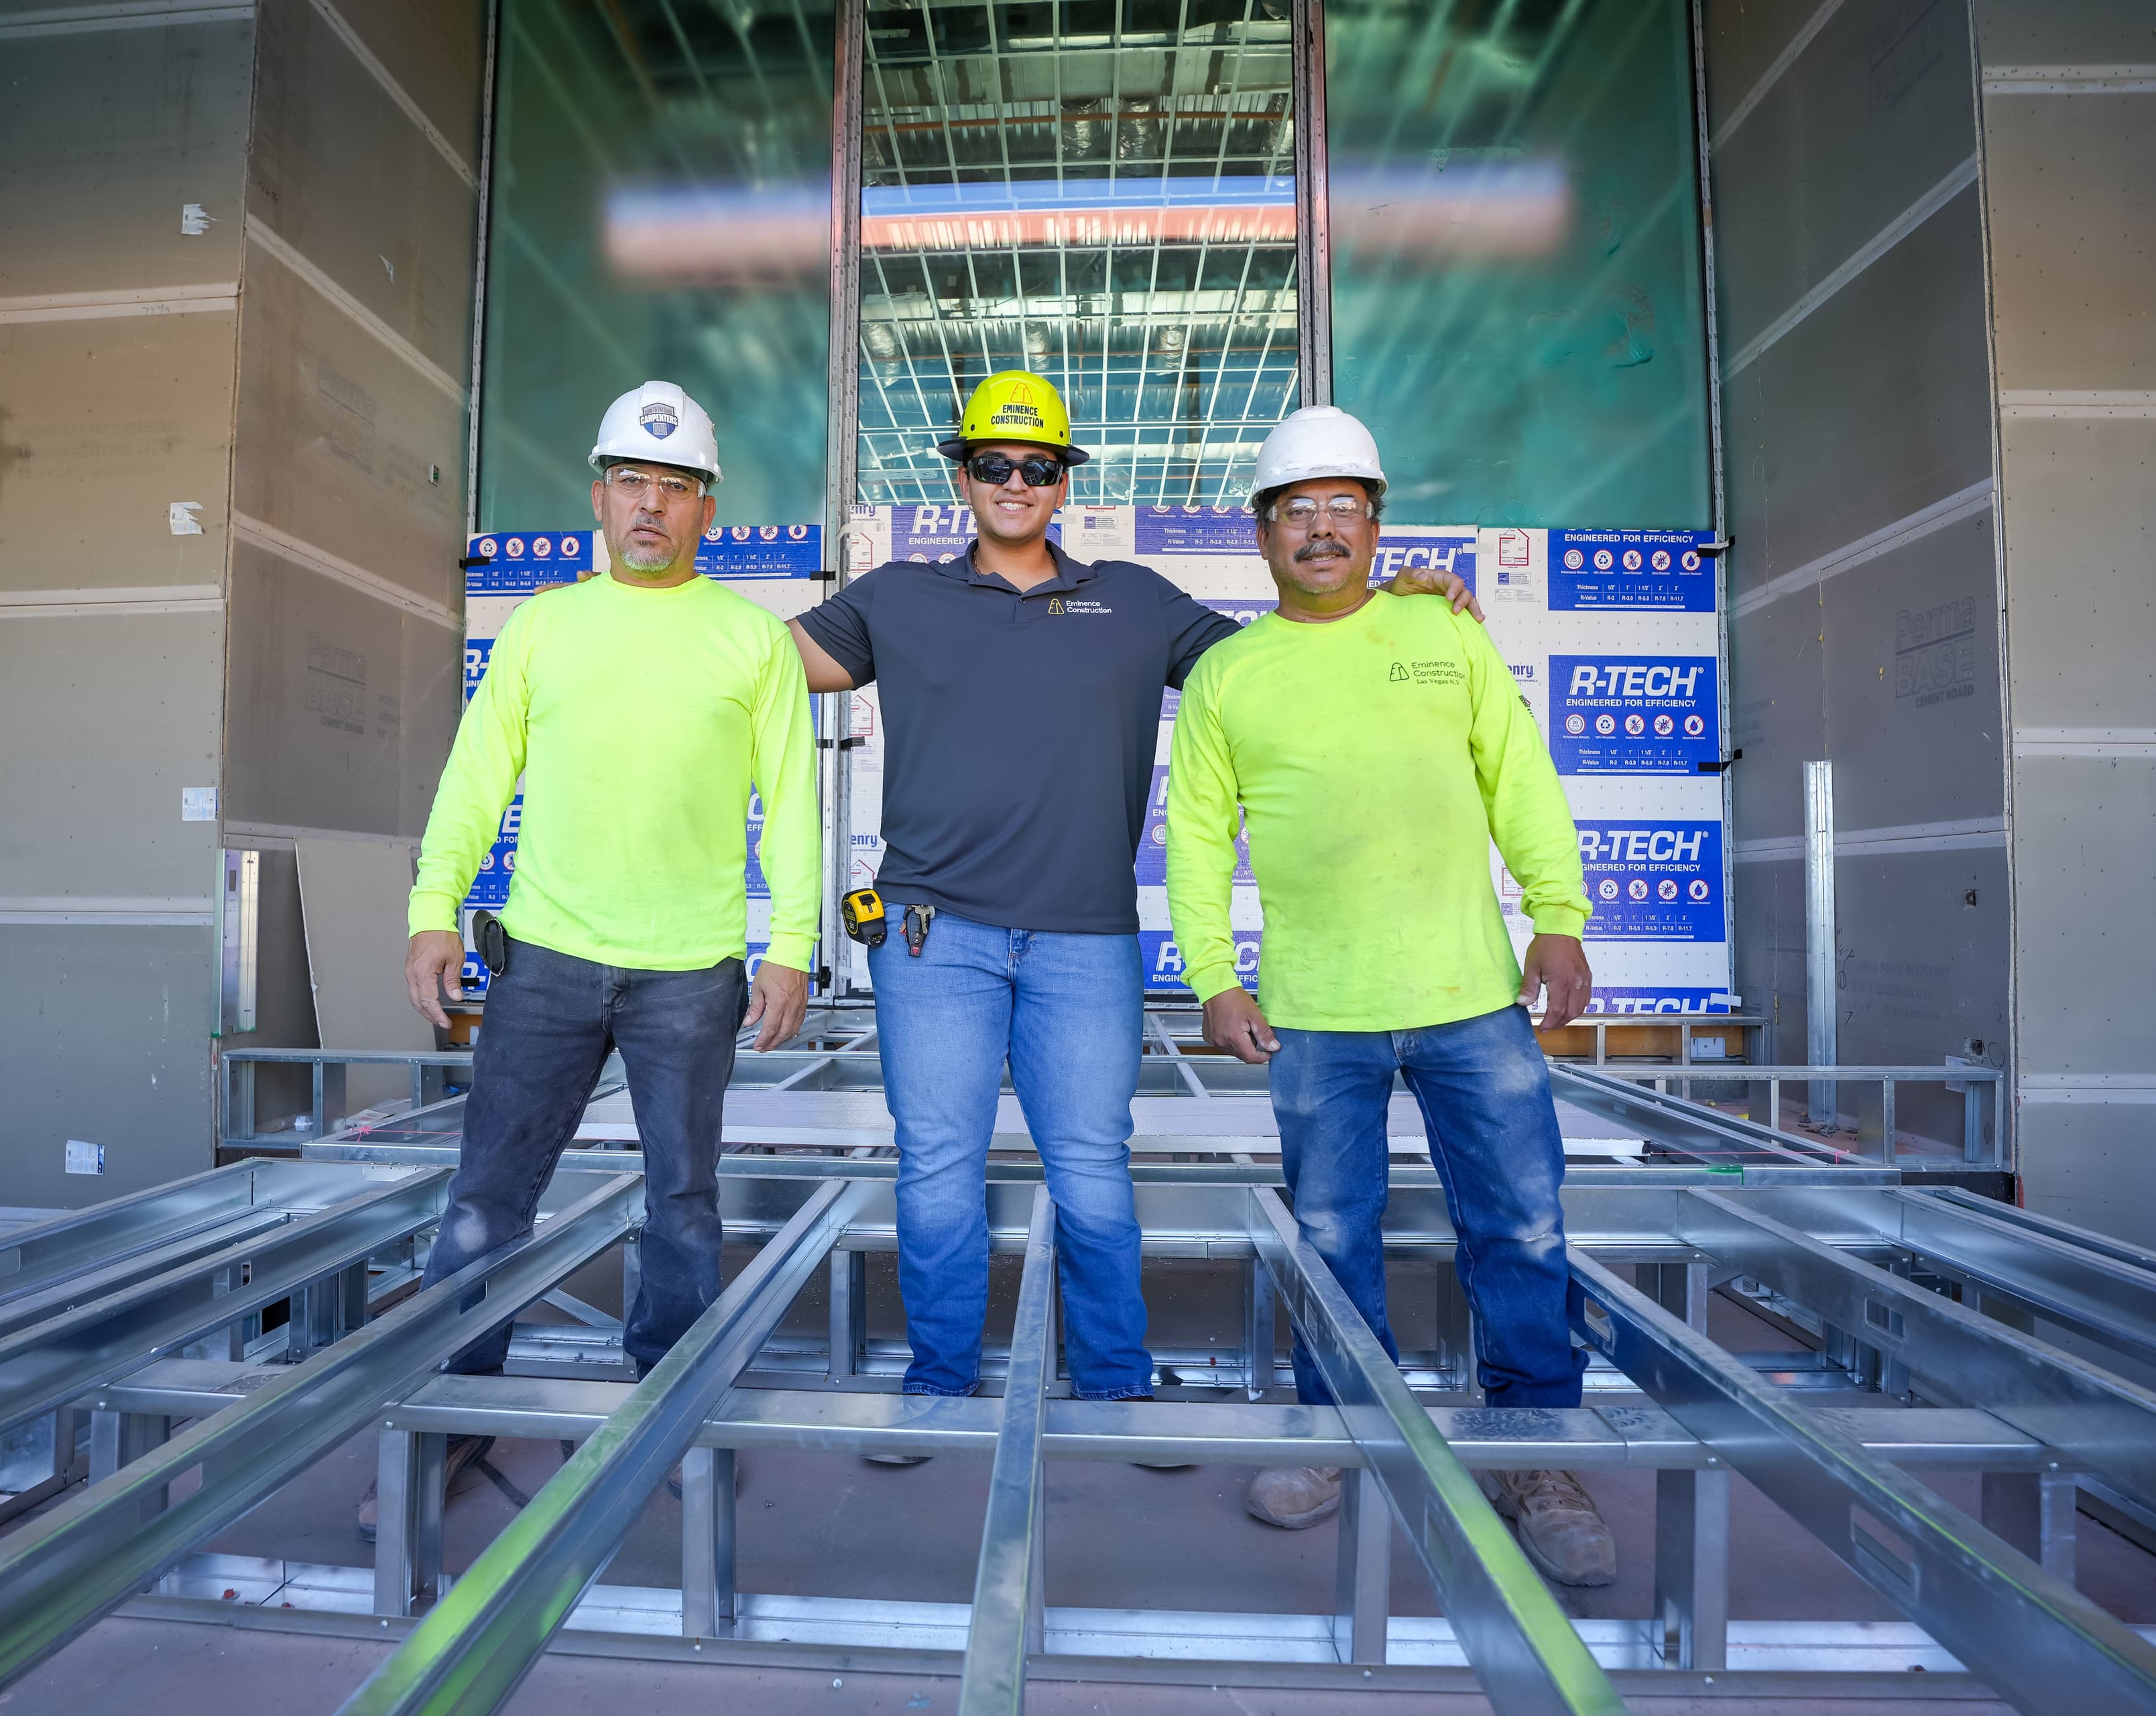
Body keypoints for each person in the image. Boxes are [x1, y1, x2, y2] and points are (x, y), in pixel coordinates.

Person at [785, 373, 1477, 1448]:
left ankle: (1115, 1381)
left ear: (1065, 483)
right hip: (931, 938)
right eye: (994, 464)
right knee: (937, 1168)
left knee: (1093, 1170)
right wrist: (647, 607)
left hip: (1087, 941)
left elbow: (1285, 657)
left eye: (1038, 466)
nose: (1016, 482)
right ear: (963, 477)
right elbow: (750, 666)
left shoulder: (1136, 601)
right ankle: (938, 1383)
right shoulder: (897, 598)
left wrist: (1395, 601)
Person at [1162, 405, 1616, 1587]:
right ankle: (1341, 1434)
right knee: (1330, 1235)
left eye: (1342, 508)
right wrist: (1215, 976)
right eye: (1296, 510)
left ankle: (1536, 1454)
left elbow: (1519, 778)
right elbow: (1197, 839)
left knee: (1521, 1226)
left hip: (1471, 999)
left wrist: (1559, 916)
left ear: (1375, 525)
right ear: (1262, 533)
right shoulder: (1226, 675)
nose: (1320, 529)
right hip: (1317, 1013)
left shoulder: (1441, 631)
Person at [361, 380, 820, 1535]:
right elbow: (476, 780)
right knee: (487, 1199)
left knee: (683, 1206)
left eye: (674, 487)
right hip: (547, 964)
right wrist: (432, 906)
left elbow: (793, 803)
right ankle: (451, 1421)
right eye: (630, 483)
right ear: (599, 497)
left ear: (707, 506)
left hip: (691, 974)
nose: (650, 505)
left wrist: (793, 946)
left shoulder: (751, 640)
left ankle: (668, 1413)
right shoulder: (541, 628)